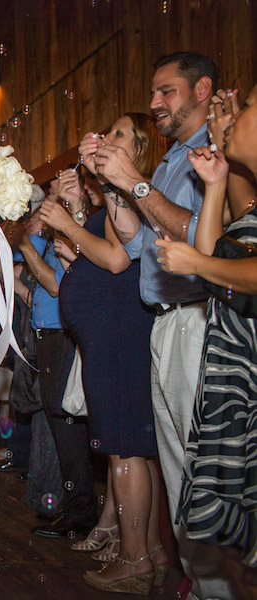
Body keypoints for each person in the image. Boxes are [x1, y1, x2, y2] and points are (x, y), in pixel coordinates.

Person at [90, 51, 234, 599]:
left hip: (200, 318)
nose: (154, 103)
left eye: (166, 91)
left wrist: (136, 183)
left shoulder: (216, 154)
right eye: (153, 92)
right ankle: (199, 583)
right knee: (175, 465)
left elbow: (205, 236)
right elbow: (134, 241)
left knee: (204, 465)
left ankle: (222, 587)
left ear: (202, 89)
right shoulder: (173, 157)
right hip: (163, 321)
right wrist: (115, 184)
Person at [42, 113, 171, 593]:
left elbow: (118, 259)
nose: (103, 137)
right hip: (106, 332)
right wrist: (74, 217)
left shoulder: (127, 198)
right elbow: (98, 257)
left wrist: (64, 223)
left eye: (118, 134)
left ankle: (135, 557)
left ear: (139, 150)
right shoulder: (112, 200)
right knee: (137, 447)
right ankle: (150, 550)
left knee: (126, 448)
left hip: (119, 331)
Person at [157, 81, 257, 575]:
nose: (232, 117)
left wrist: (197, 260)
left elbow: (216, 265)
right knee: (235, 510)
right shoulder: (251, 200)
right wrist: (215, 184)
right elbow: (223, 253)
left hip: (247, 366)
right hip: (232, 365)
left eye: (248, 109)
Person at [16, 184, 98, 541]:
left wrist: (22, 243)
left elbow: (53, 285)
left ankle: (81, 512)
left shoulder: (71, 241)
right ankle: (72, 503)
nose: (46, 205)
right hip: (45, 335)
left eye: (55, 197)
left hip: (62, 336)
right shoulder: (50, 239)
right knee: (55, 423)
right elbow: (15, 255)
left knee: (67, 425)